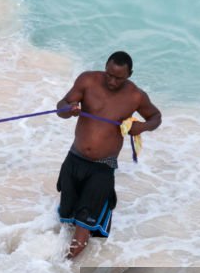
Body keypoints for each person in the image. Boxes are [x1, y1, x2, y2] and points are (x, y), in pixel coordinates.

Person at [55, 51, 161, 259]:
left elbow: (156, 117)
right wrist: (70, 109)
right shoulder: (87, 80)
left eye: (118, 78)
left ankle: (63, 269)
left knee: (83, 225)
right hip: (74, 158)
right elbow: (61, 108)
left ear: (129, 74)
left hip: (102, 167)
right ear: (105, 67)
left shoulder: (135, 96)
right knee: (66, 216)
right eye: (109, 74)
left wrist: (142, 127)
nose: (112, 81)